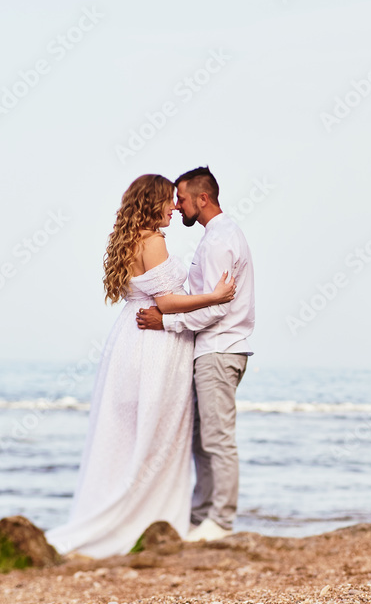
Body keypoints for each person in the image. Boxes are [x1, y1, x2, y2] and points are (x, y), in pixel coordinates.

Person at [47, 174, 236, 558]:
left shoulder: (130, 239)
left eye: (177, 200)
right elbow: (166, 303)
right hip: (155, 344)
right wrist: (213, 296)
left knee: (131, 434)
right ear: (152, 203)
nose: (174, 207)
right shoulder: (153, 240)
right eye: (169, 200)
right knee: (157, 434)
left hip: (130, 341)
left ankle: (139, 512)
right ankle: (147, 517)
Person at [136, 167, 256, 542]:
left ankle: (220, 520)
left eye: (183, 199)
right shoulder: (215, 237)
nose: (177, 205)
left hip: (220, 349)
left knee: (217, 438)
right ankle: (203, 516)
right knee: (203, 438)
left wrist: (165, 323)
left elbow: (217, 307)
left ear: (202, 199)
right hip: (213, 349)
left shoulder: (220, 240)